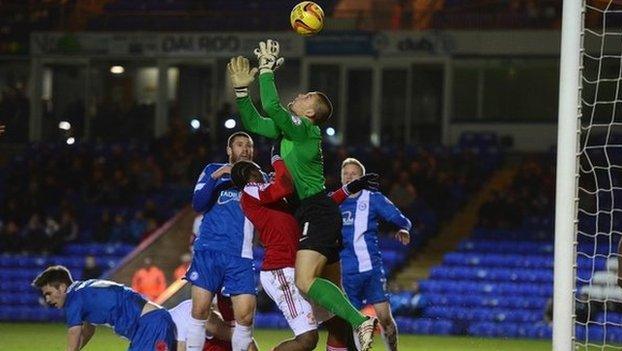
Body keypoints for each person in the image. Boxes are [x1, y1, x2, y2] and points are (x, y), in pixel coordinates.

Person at [228, 43, 377, 351]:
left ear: (309, 112)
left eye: (306, 96)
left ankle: (361, 321)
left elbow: (271, 106)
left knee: (305, 282)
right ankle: (354, 326)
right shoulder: (289, 134)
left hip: (315, 213)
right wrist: (243, 93)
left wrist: (267, 71)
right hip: (318, 212)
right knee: (332, 301)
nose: (300, 95)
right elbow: (256, 122)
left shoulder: (305, 131)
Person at [186, 131, 257, 351]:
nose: (244, 149)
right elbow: (198, 204)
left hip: (240, 255)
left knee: (245, 319)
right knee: (199, 312)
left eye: (249, 146)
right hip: (209, 250)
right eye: (239, 145)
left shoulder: (258, 177)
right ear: (229, 150)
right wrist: (218, 176)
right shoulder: (211, 170)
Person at [339, 158, 412, 351]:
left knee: (385, 320)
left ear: (361, 178)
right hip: (346, 274)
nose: (348, 177)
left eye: (353, 174)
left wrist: (402, 228)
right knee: (351, 324)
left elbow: (401, 219)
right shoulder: (334, 202)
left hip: (371, 270)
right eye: (345, 174)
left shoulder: (373, 198)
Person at [31, 265, 176, 351]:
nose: (47, 299)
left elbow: (74, 338)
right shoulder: (83, 292)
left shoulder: (73, 300)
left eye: (49, 293)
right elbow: (88, 330)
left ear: (62, 287)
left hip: (150, 326)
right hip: (151, 325)